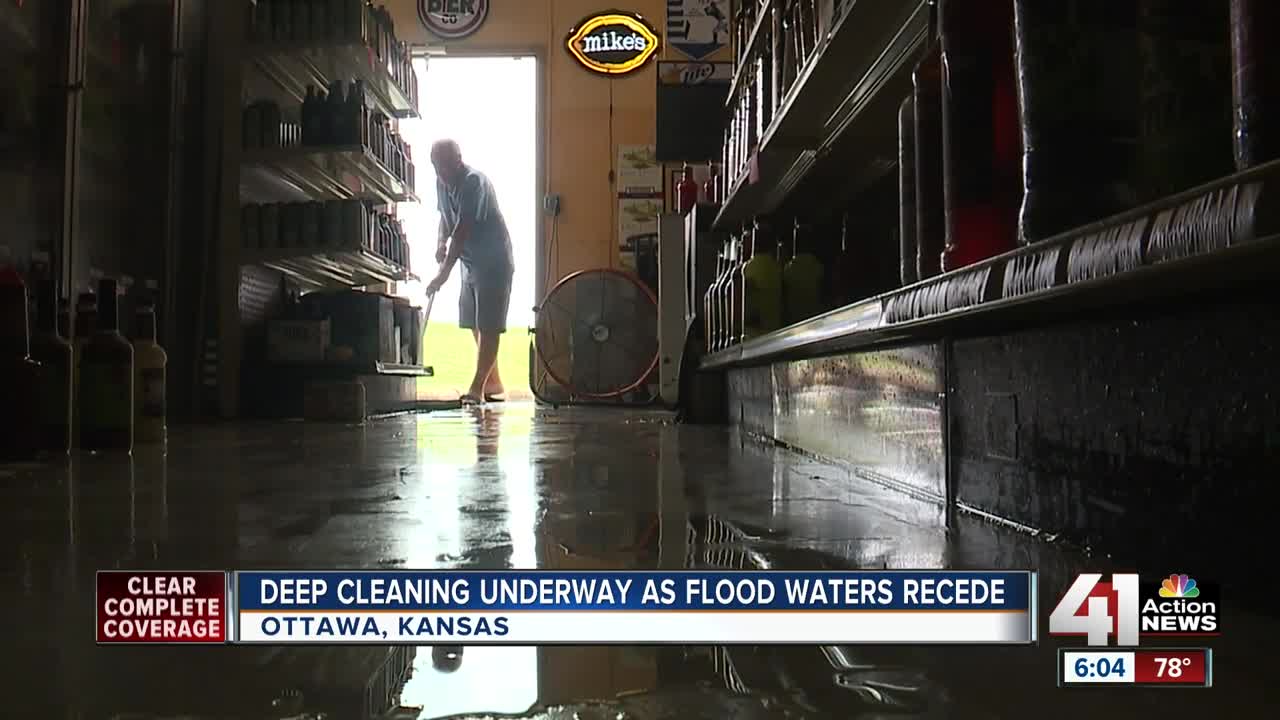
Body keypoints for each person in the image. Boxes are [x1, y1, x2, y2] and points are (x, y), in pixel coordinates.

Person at [425, 140, 515, 404]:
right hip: (470, 263)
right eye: (437, 166)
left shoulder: (473, 182)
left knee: (489, 324)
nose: (442, 171)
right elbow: (445, 217)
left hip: (494, 260)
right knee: (473, 321)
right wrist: (440, 242)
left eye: (446, 165)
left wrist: (443, 274)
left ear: (459, 160)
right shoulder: (441, 182)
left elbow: (462, 230)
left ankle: (477, 388)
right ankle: (493, 382)